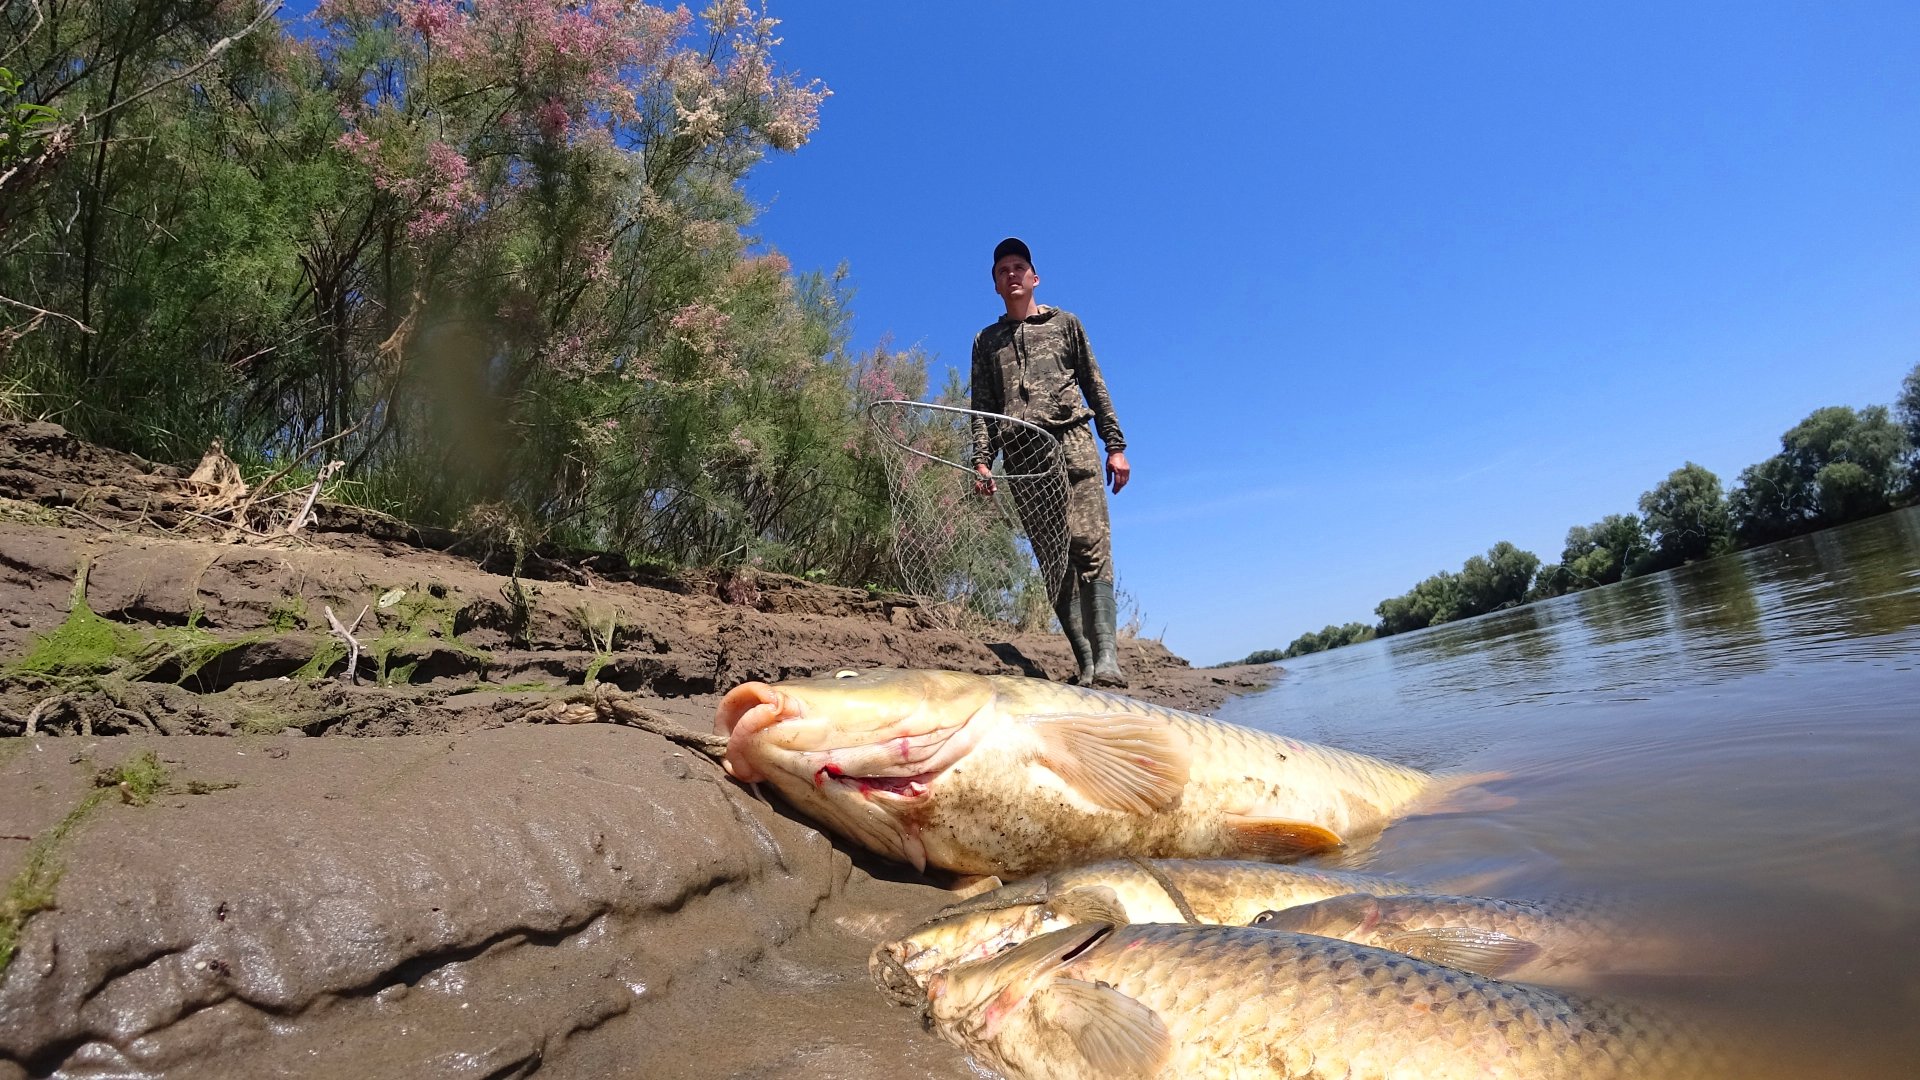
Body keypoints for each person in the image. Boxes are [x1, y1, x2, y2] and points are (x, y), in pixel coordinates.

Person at [968, 236, 1132, 688]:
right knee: (1055, 560)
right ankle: (1085, 661)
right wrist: (982, 462)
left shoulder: (1066, 324)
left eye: (1019, 266)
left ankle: (1108, 661)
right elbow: (983, 407)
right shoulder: (986, 341)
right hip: (1023, 457)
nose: (1012, 273)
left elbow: (1095, 385)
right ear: (996, 285)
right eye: (1003, 270)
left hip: (1072, 443)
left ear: (1034, 277)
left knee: (1091, 550)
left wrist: (1114, 445)